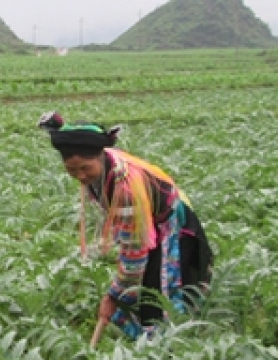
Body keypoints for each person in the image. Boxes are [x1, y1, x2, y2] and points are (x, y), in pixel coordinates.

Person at [37, 112, 213, 341]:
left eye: (85, 168)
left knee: (158, 301)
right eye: (72, 170)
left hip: (170, 228)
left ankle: (165, 349)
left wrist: (113, 296)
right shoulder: (103, 164)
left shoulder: (126, 187)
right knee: (142, 292)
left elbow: (135, 253)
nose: (80, 176)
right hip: (150, 225)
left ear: (100, 156)